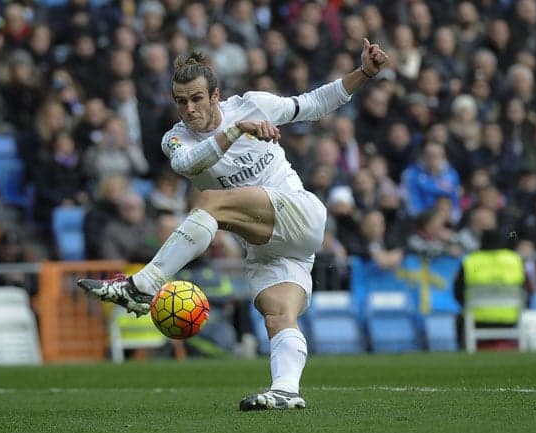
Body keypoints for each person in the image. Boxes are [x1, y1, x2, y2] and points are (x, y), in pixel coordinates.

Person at [78, 39, 388, 410]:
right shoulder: (174, 138)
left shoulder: (253, 104)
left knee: (209, 201)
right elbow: (189, 165)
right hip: (266, 243)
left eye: (196, 98)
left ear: (215, 95)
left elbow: (313, 104)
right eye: (181, 101)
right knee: (277, 313)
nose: (189, 109)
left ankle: (143, 285)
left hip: (300, 212)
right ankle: (286, 391)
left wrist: (365, 73)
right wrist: (237, 131)